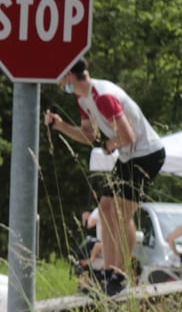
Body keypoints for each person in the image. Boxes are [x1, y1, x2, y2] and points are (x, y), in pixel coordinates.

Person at [45, 60, 166, 289]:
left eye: (61, 77)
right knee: (105, 209)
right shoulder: (83, 99)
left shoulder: (102, 96)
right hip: (129, 156)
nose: (59, 83)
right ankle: (108, 271)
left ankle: (120, 273)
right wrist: (60, 126)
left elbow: (128, 136)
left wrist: (110, 145)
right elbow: (89, 136)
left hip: (148, 154)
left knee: (121, 213)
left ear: (70, 75)